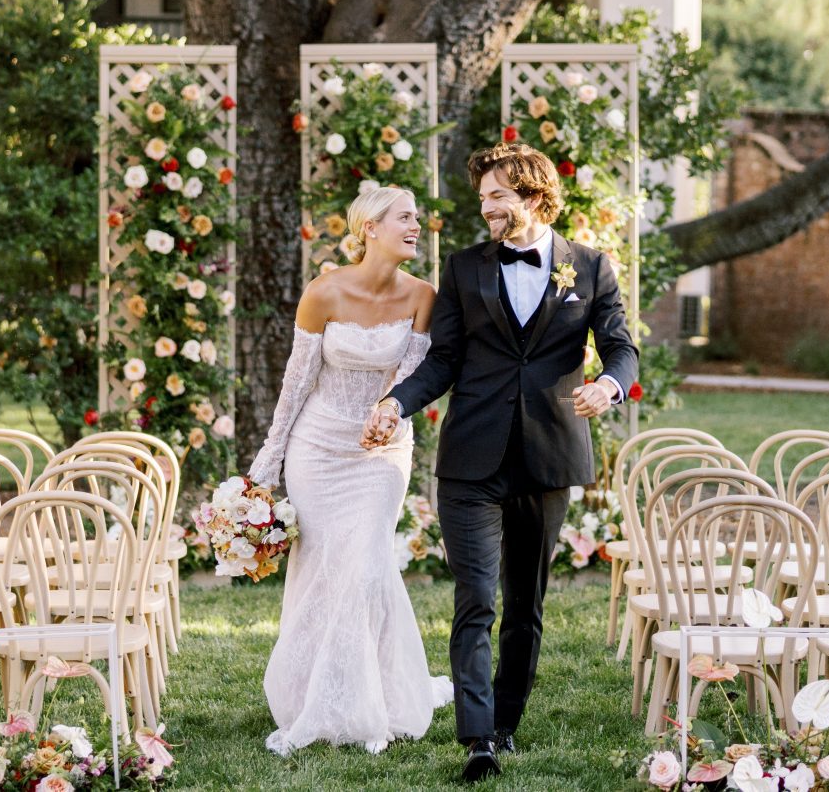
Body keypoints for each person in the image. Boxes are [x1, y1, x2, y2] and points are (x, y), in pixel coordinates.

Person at [363, 143, 638, 782]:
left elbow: (622, 349)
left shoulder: (591, 268)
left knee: (526, 603)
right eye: (483, 196)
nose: (484, 208)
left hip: (548, 456)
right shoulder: (463, 269)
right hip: (471, 460)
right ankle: (478, 737)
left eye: (496, 197)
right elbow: (443, 359)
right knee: (475, 597)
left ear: (535, 197)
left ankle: (507, 723)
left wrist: (607, 386)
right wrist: (396, 404)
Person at [247, 183, 454, 755]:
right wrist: (268, 463)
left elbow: (408, 380)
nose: (417, 226)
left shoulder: (423, 295)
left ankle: (368, 703)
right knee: (323, 571)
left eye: (418, 217)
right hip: (317, 449)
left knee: (365, 567)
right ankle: (307, 695)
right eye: (405, 218)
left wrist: (385, 419)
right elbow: (295, 387)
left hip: (380, 455)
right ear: (370, 228)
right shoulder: (324, 292)